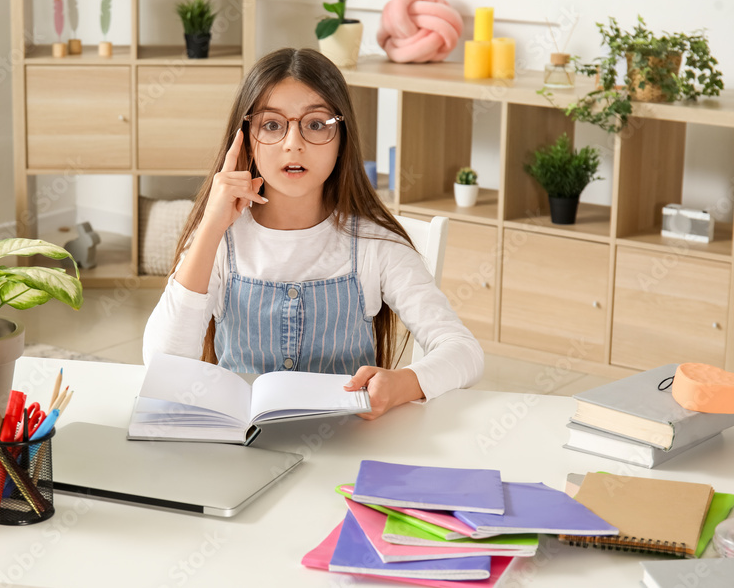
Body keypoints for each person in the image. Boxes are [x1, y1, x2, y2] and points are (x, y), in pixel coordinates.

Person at [142, 48, 483, 419]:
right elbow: (162, 362)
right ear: (245, 139)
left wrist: (402, 383)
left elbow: (463, 350)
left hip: (348, 451)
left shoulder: (374, 245)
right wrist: (210, 224)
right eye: (272, 125)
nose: (293, 143)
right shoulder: (221, 240)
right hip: (241, 447)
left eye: (316, 124)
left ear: (342, 139)